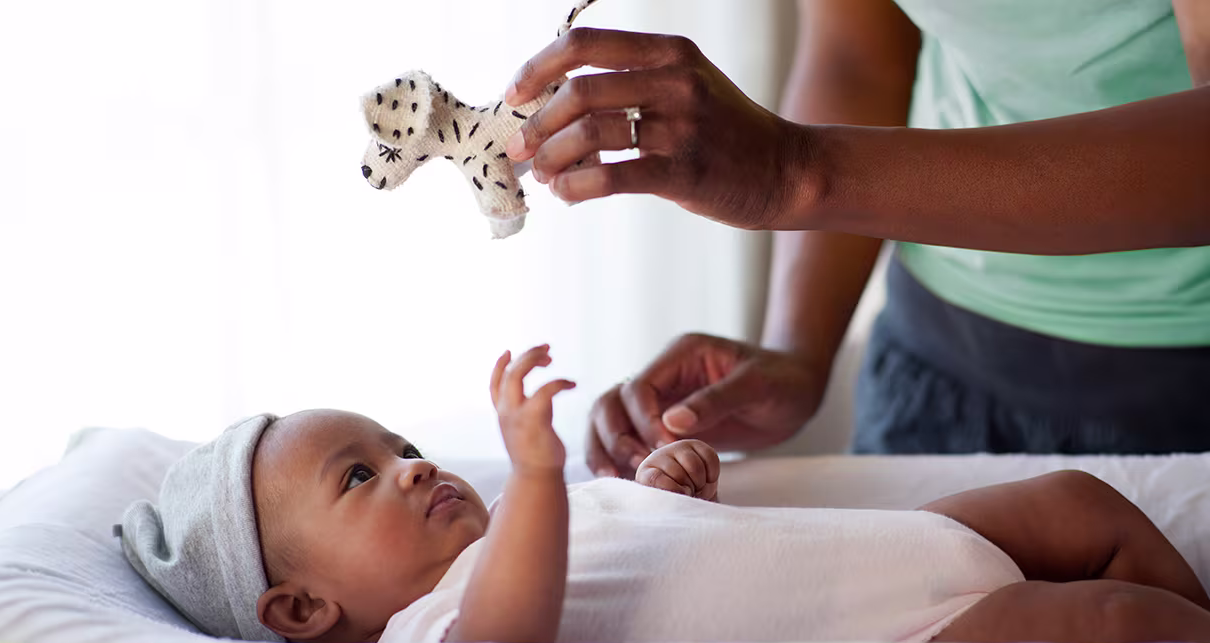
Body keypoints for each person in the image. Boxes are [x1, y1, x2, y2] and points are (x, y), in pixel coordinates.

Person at [500, 0, 1210, 466]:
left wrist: (797, 173)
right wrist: (797, 352)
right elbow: (860, 54)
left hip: (1183, 398)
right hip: (933, 371)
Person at [117, 346, 1210, 643]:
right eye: (359, 475)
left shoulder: (549, 521)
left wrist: (672, 488)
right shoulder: (434, 632)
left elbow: (671, 548)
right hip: (911, 626)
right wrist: (540, 474)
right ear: (302, 608)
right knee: (1102, 622)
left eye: (397, 442)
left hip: (896, 540)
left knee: (1076, 498)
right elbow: (518, 621)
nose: (411, 462)